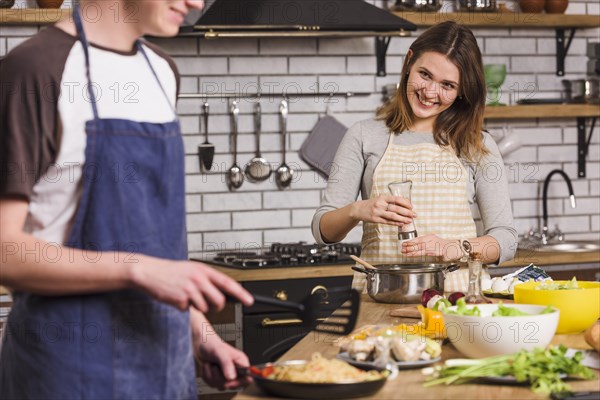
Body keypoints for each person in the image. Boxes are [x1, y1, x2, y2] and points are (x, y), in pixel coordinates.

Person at [0, 1, 253, 398]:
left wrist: (203, 336)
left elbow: (159, 245)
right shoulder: (36, 69)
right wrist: (135, 269)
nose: (197, 3)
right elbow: (4, 251)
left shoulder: (160, 71)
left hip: (165, 365)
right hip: (69, 367)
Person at [312, 21, 518, 292]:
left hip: (457, 300)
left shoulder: (478, 144)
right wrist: (358, 210)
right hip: (382, 298)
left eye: (447, 85)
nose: (430, 92)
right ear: (409, 61)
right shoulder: (364, 135)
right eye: (425, 74)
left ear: (462, 91)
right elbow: (323, 230)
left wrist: (455, 247)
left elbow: (506, 239)